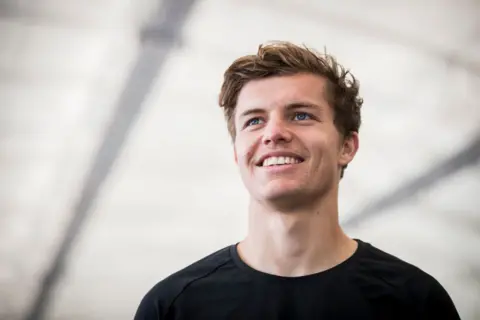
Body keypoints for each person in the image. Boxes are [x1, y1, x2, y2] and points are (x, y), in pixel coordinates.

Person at [134, 41, 461, 320]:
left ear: (346, 146)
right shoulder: (174, 307)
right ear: (237, 153)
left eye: (301, 115)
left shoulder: (415, 303)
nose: (273, 133)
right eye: (254, 120)